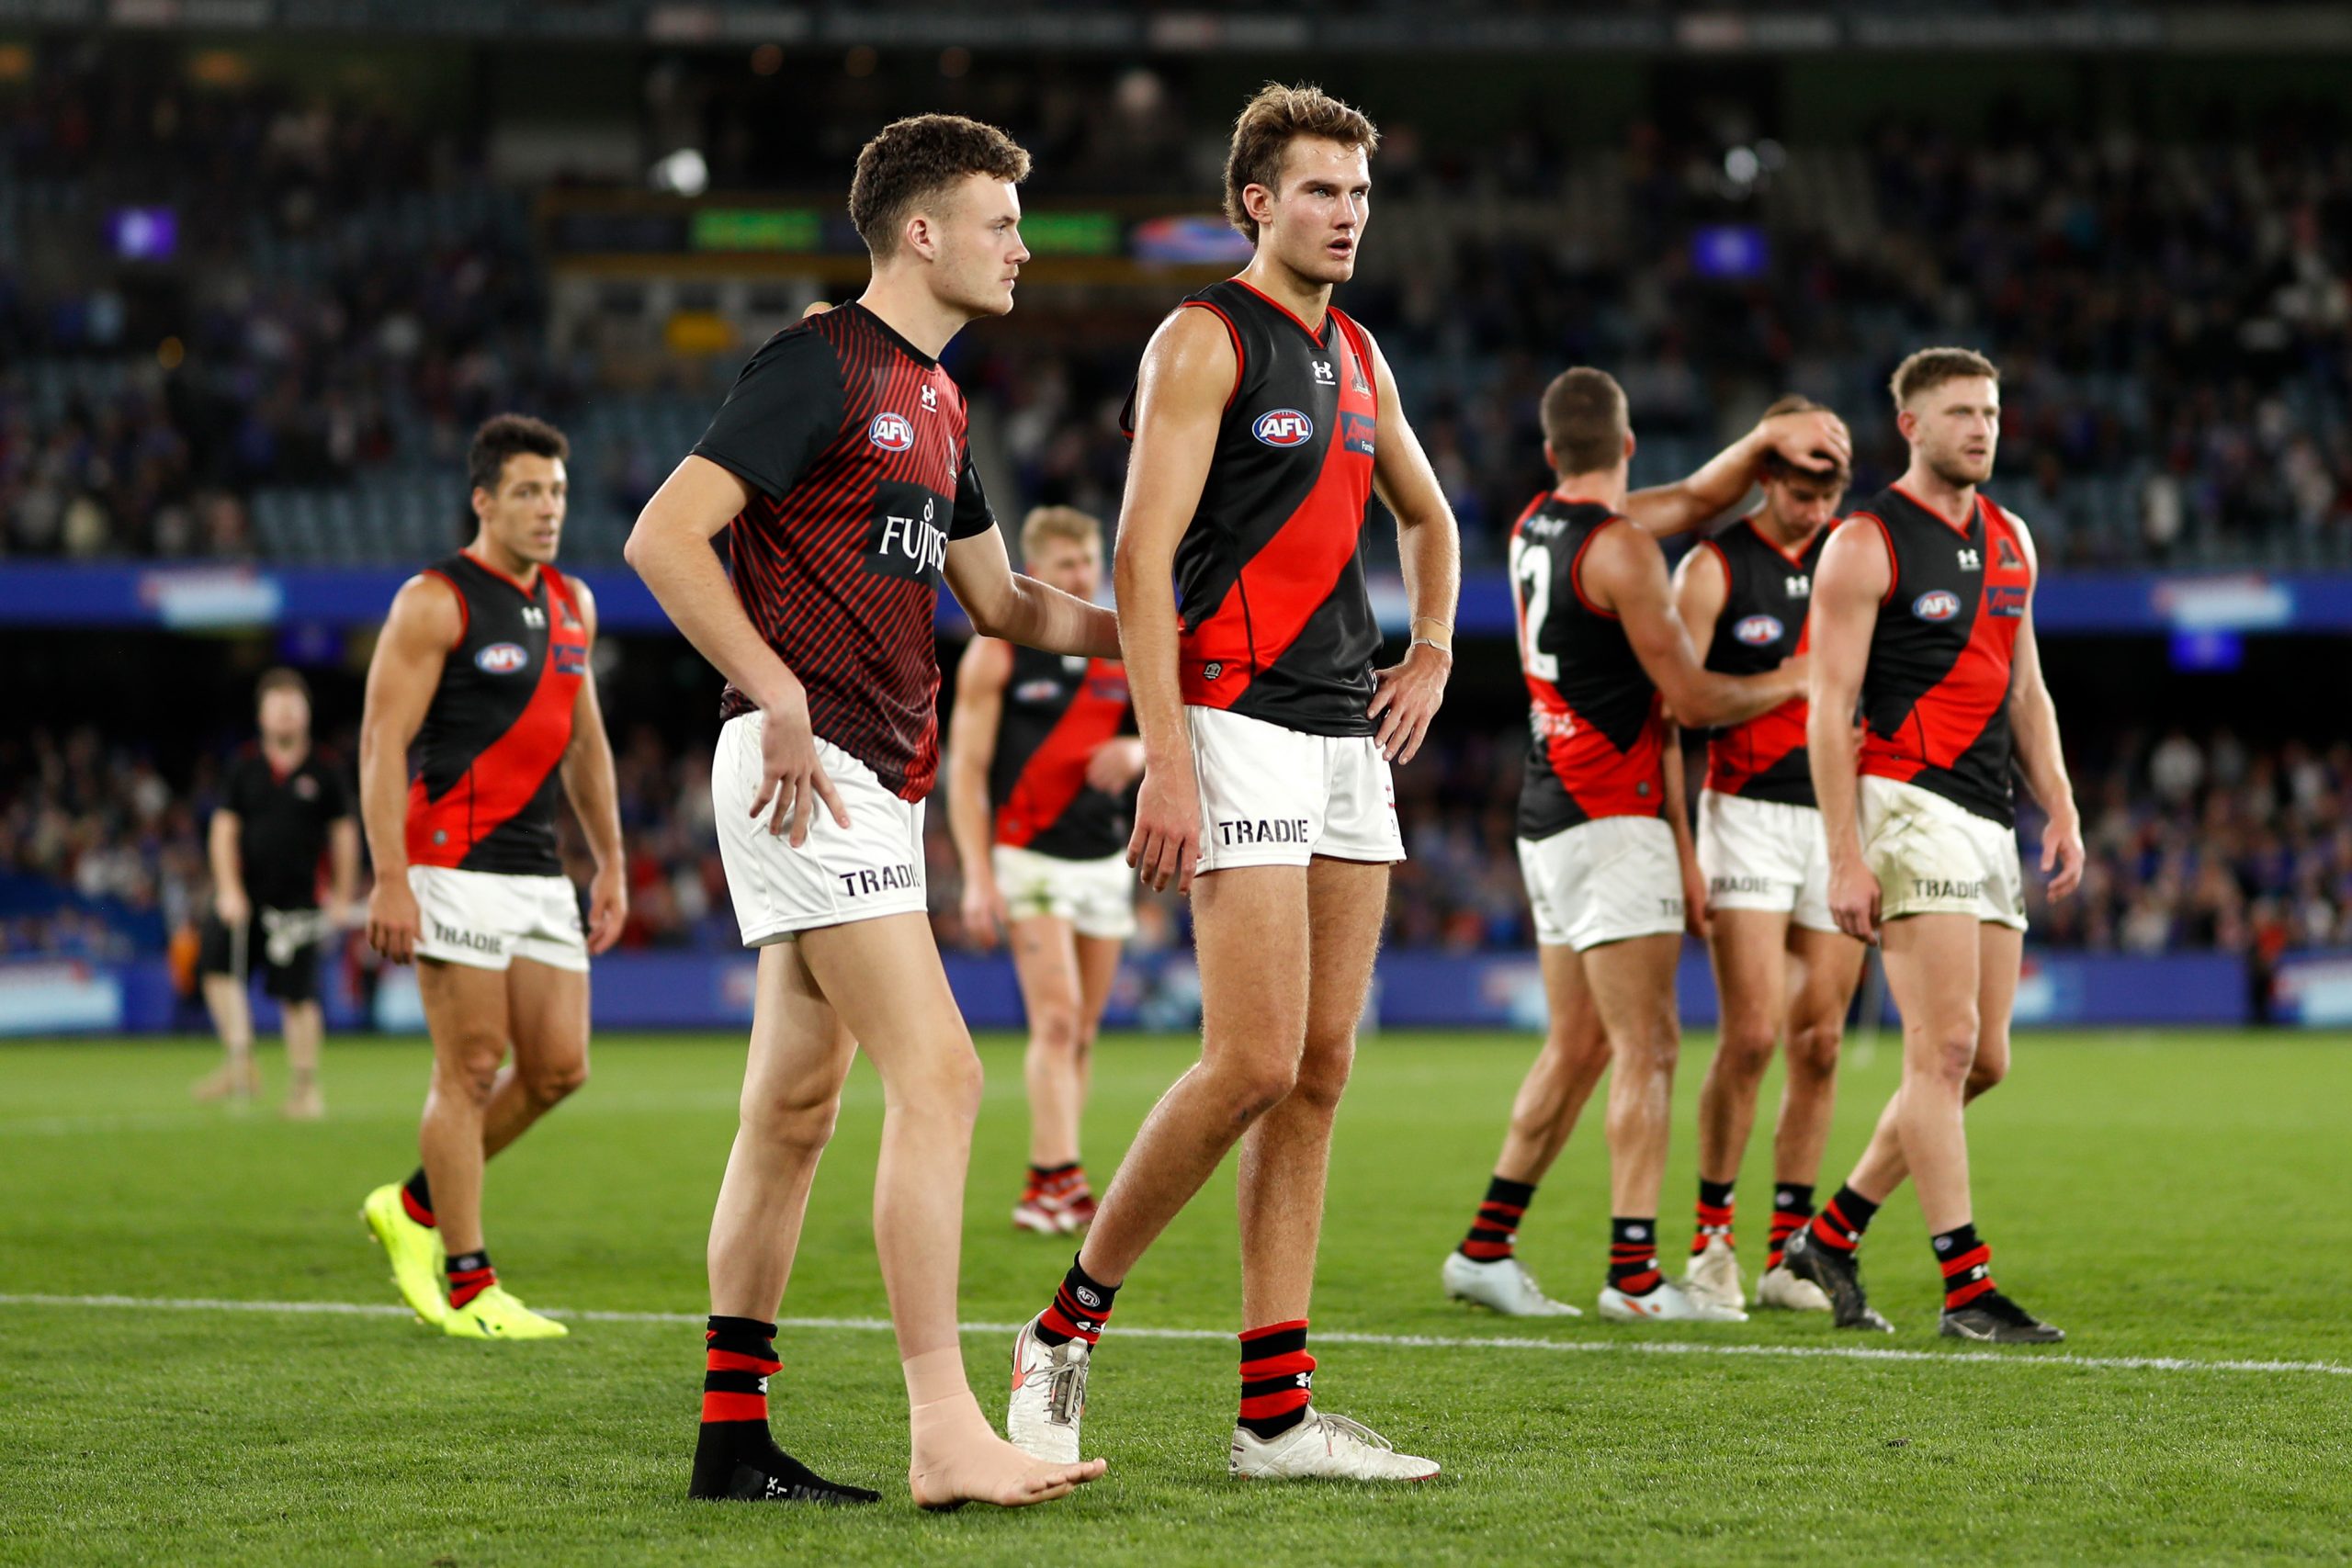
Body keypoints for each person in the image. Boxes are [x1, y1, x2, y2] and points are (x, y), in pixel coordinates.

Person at [625, 115, 1110, 1510]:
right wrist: (768, 684)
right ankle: (945, 1425)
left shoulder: (945, 401)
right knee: (944, 1075)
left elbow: (1008, 605)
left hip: (868, 780)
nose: (1023, 245)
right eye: (1002, 220)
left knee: (792, 1107)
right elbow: (664, 532)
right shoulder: (824, 359)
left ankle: (731, 1439)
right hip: (807, 763)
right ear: (921, 231)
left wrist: (1169, 635)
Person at [1004, 83, 1463, 1485]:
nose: (1348, 215)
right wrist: (1171, 753)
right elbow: (1141, 561)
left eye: (1362, 193)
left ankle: (1274, 1416)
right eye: (1322, 190)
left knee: (1317, 1074)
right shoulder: (1204, 338)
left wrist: (1433, 646)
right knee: (1252, 1058)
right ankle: (1061, 1329)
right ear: (1258, 201)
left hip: (1346, 736)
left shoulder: (1365, 356)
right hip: (1236, 720)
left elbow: (1431, 519)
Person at [1440, 369, 1850, 1324]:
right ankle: (1632, 1276)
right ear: (1628, 448)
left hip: (1548, 812)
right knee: (1650, 1046)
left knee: (1578, 1045)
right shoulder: (1624, 552)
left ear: (1553, 455)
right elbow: (1697, 700)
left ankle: (1484, 1249)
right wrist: (1801, 675)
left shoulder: (1536, 527)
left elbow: (1702, 498)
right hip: (1613, 812)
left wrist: (1758, 444)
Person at [1780, 347, 2084, 1343]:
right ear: (1908, 426)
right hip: (1906, 803)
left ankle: (1829, 1236)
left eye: (1990, 412)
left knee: (1981, 1061)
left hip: (1990, 816)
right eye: (1958, 413)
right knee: (1942, 1047)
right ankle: (1966, 1288)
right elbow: (1826, 711)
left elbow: (2026, 692)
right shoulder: (1864, 543)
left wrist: (2063, 809)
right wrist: (1841, 853)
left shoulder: (2012, 541)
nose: (1981, 429)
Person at [356, 414, 628, 1342]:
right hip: (448, 860)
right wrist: (388, 876)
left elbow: (586, 742)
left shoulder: (573, 604)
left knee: (557, 1069)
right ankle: (470, 1284)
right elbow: (381, 742)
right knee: (470, 1069)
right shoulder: (434, 601)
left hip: (538, 867)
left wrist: (613, 863)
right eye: (527, 492)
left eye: (556, 491)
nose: (548, 508)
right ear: (483, 500)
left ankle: (414, 1204)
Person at [1667, 398, 1874, 1322]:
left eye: (1829, 487)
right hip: (1745, 813)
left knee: (1821, 1042)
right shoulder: (1713, 566)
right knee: (1750, 1034)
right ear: (1764, 474)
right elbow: (1681, 704)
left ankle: (1790, 1256)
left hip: (1838, 816)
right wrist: (1792, 680)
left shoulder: (1860, 561)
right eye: (1799, 486)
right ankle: (1711, 1240)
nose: (1815, 505)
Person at [944, 505, 1141, 1237]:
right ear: (1033, 570)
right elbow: (964, 768)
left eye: (1088, 561)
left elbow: (1177, 727)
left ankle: (1046, 1179)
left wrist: (1139, 755)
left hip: (1103, 857)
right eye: (1065, 565)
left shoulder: (1120, 646)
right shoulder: (999, 651)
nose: (1081, 575)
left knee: (1083, 1031)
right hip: (1026, 852)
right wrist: (976, 872)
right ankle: (1063, 1180)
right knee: (1055, 1020)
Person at [191, 668, 358, 1119]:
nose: (285, 713)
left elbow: (343, 835)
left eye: (292, 704)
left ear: (306, 712)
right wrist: (227, 890)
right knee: (215, 970)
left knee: (298, 997)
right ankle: (240, 1060)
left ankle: (305, 1088)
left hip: (301, 903)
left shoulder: (325, 770)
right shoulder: (243, 766)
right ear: (262, 715)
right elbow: (223, 832)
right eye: (276, 704)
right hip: (246, 898)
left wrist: (342, 895)